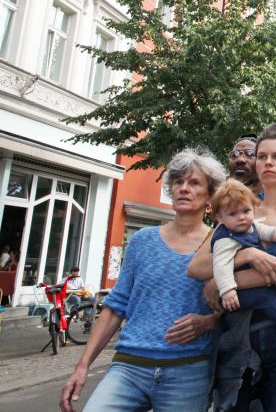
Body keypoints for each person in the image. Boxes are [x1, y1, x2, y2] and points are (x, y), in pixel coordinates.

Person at [60, 149, 226, 412]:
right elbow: (116, 306)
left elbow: (233, 305)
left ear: (210, 196)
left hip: (188, 370)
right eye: (178, 182)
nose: (184, 188)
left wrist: (209, 321)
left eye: (194, 183)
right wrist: (82, 366)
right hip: (129, 366)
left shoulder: (220, 244)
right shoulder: (142, 241)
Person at [188, 124, 276, 411]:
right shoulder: (239, 207)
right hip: (240, 335)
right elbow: (197, 266)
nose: (267, 163)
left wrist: (223, 282)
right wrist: (247, 255)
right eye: (262, 157)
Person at [209, 179, 276, 328]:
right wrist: (227, 291)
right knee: (265, 297)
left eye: (246, 211)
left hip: (245, 287)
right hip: (234, 293)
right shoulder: (225, 239)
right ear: (220, 217)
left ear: (253, 209)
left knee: (264, 299)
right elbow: (221, 265)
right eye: (233, 214)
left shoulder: (251, 226)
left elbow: (268, 232)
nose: (241, 217)